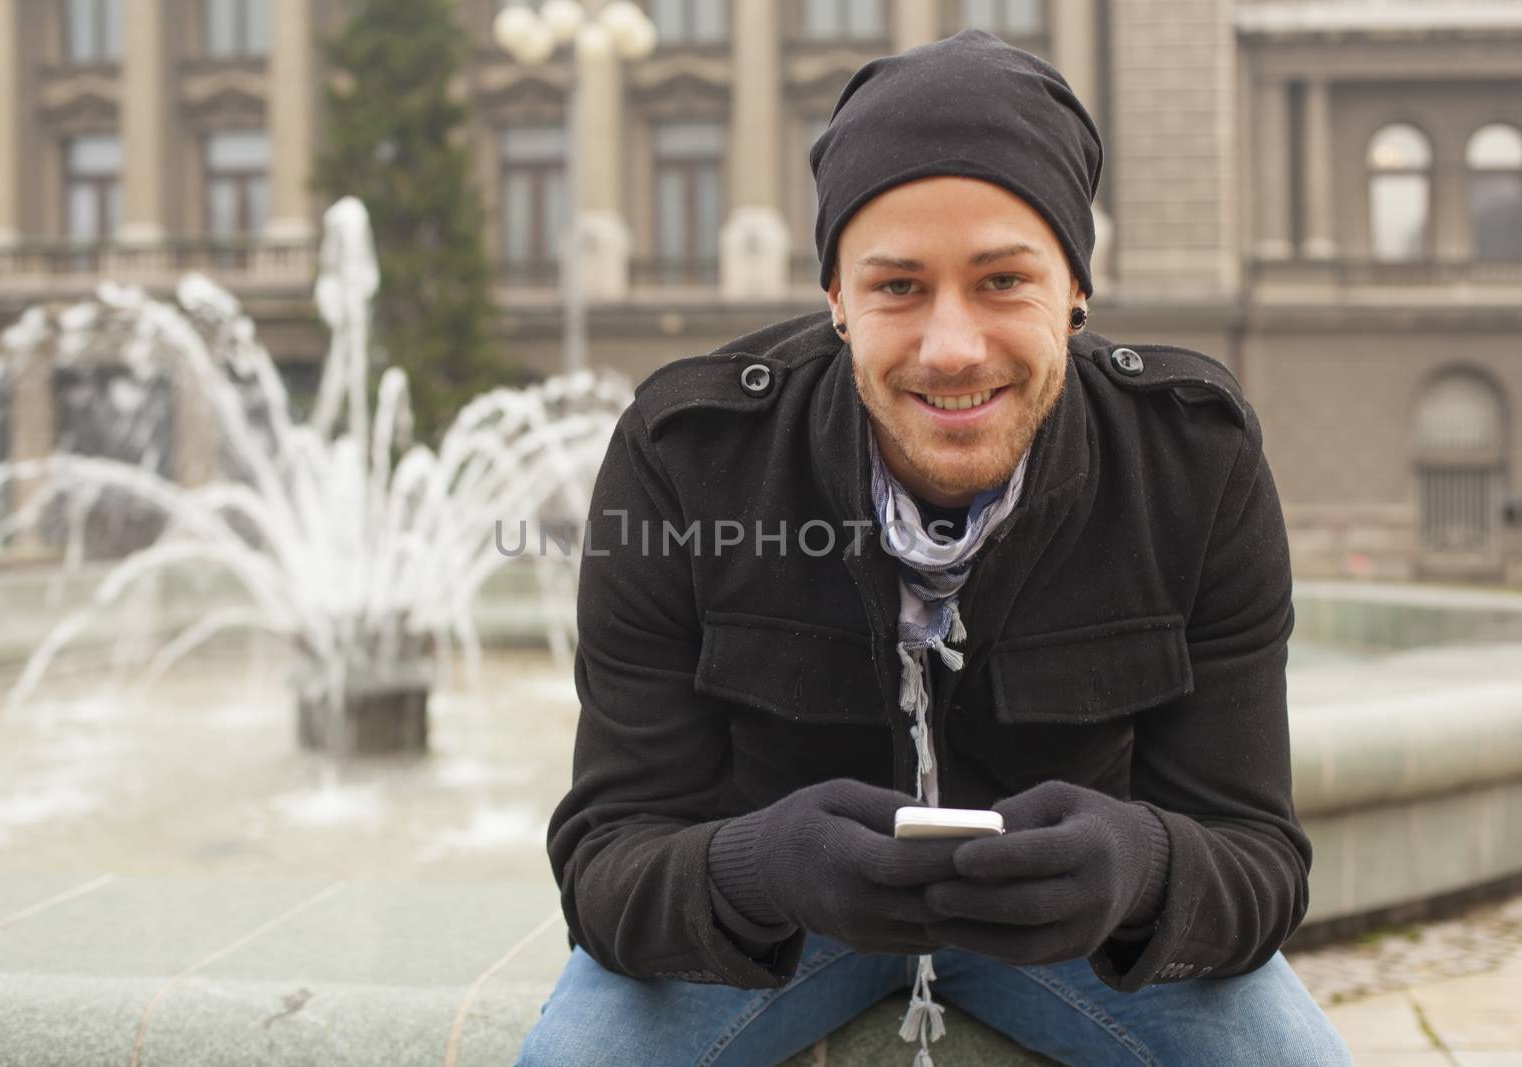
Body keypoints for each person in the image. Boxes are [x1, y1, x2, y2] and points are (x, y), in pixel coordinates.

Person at [515, 29, 1352, 1067]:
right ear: (834, 297)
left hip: (1079, 939)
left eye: (1003, 280)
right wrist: (758, 866)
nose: (951, 346)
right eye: (897, 286)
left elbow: (1260, 863)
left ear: (1076, 286)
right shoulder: (685, 456)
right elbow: (602, 864)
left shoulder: (1192, 463)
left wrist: (1137, 867)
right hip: (768, 936)